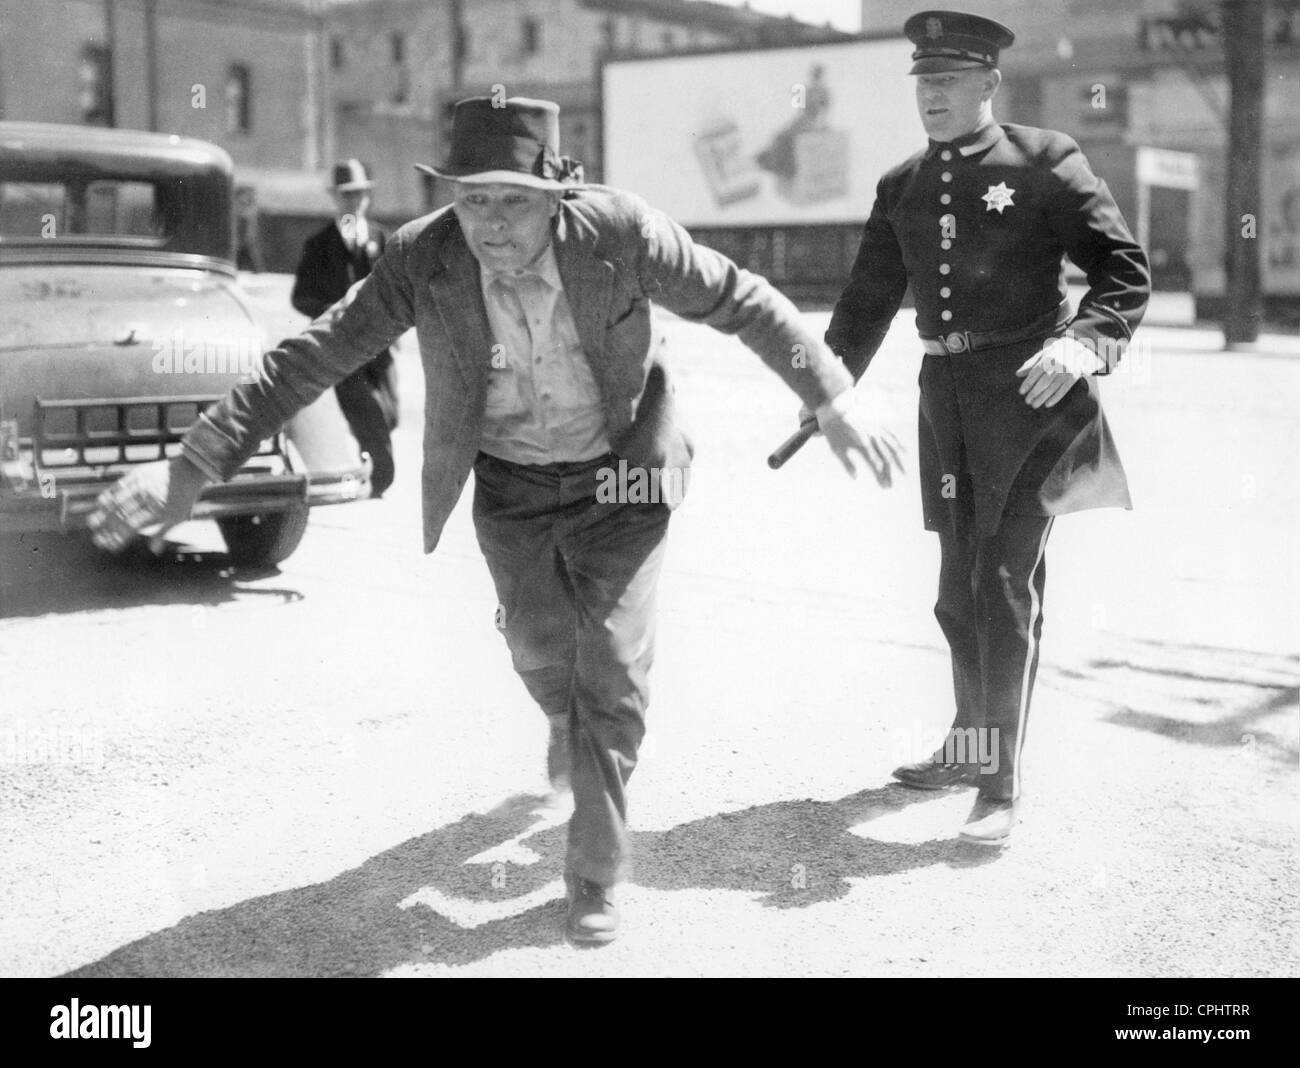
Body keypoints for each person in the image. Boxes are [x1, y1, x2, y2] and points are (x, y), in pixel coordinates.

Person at [87, 96, 903, 944]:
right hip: (510, 487)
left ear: (558, 196)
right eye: (473, 200)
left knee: (612, 674)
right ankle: (563, 720)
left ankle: (592, 873)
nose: (491, 224)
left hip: (623, 482)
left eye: (513, 200)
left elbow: (741, 298)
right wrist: (190, 469)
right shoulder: (421, 257)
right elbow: (312, 356)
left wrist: (832, 394)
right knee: (538, 648)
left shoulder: (620, 233)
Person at [824, 11, 1150, 845]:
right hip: (947, 403)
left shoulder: (1044, 161)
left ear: (988, 85)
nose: (932, 96)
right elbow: (865, 301)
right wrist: (825, 388)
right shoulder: (901, 185)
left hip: (1031, 402)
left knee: (1002, 589)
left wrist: (1082, 344)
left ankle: (998, 786)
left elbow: (1123, 269)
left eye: (949, 81)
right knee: (956, 591)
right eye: (923, 82)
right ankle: (971, 746)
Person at [291, 159, 400, 498]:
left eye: (360, 194)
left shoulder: (383, 238)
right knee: (365, 409)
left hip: (381, 345)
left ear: (368, 195)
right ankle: (381, 478)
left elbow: (399, 288)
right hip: (340, 347)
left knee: (390, 413)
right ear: (335, 198)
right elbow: (300, 297)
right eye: (347, 195)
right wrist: (334, 313)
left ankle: (368, 450)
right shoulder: (319, 245)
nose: (355, 201)